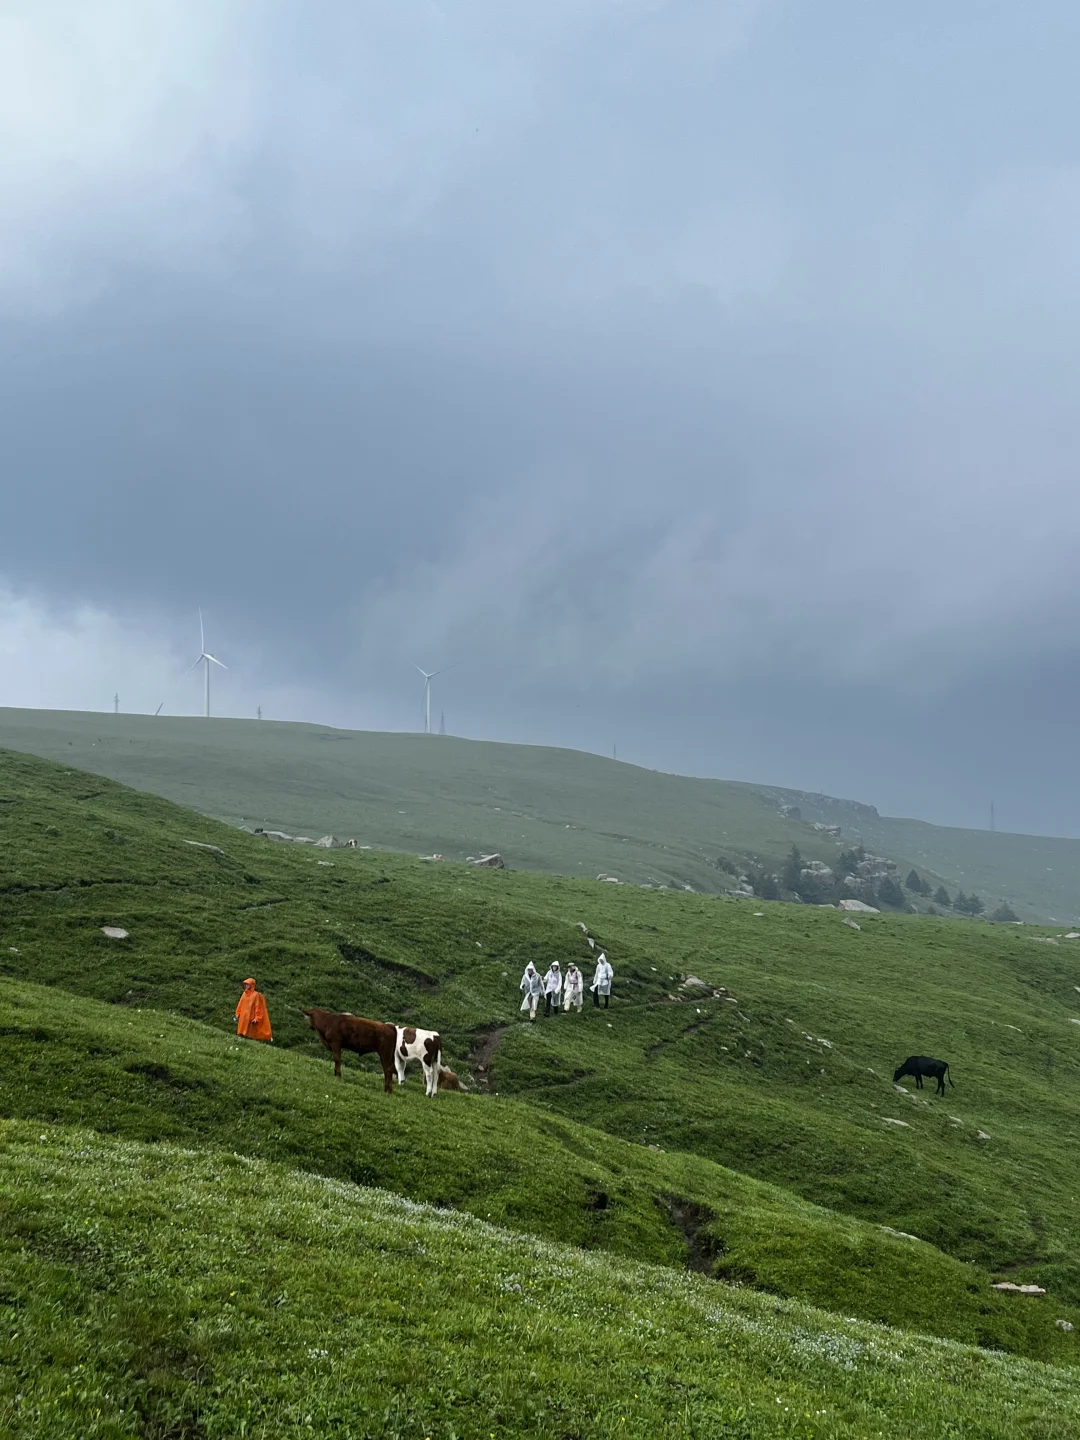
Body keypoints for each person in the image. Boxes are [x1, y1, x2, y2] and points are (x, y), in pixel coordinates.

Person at [235, 977, 273, 1041]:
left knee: (249, 1032)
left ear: (252, 985)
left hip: (250, 1017)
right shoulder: (244, 994)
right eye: (245, 984)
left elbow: (257, 1007)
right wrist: (237, 1013)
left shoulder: (255, 995)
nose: (246, 986)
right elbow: (240, 1004)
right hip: (243, 1016)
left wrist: (256, 1018)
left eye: (248, 984)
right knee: (241, 1030)